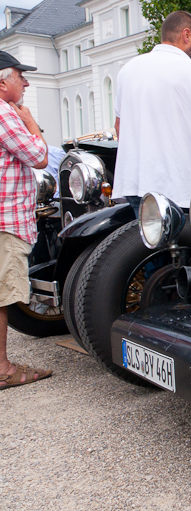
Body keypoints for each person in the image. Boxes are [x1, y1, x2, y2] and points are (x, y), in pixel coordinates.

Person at [114, 10, 191, 213]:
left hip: (134, 184)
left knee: (145, 234)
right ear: (187, 35)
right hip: (180, 186)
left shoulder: (126, 71)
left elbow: (119, 128)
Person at [0, 51, 52, 389]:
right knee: (2, 296)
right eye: (21, 77)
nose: (27, 83)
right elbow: (40, 157)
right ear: (2, 82)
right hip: (5, 221)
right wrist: (31, 121)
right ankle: (3, 369)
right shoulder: (4, 113)